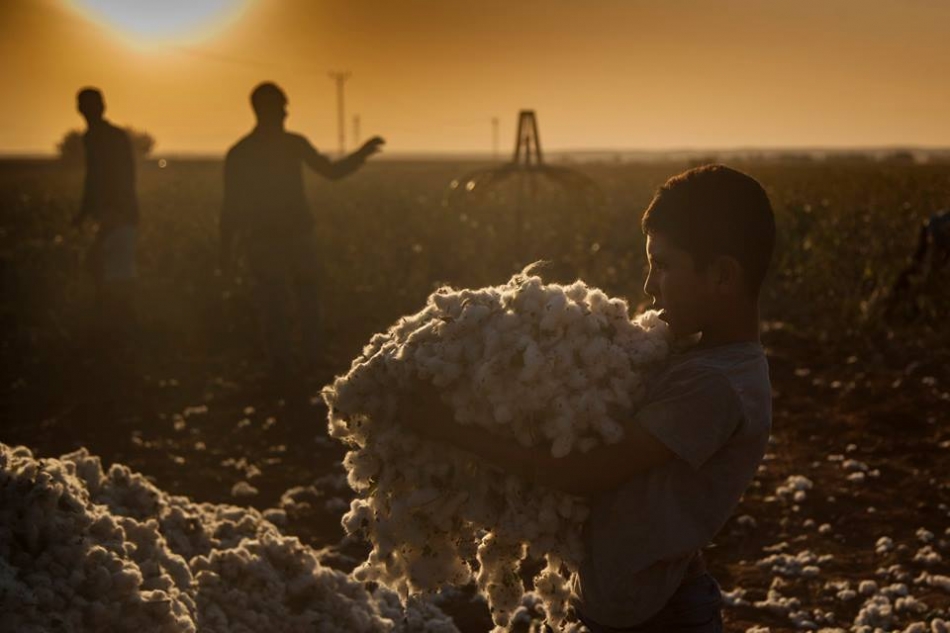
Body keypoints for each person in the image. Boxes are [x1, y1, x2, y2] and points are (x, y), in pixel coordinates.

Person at [398, 164, 776, 632]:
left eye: (662, 265)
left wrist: (451, 429)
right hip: (626, 605)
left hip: (660, 618)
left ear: (722, 275)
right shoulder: (690, 356)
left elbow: (583, 473)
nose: (648, 286)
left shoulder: (716, 385)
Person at [220, 81, 384, 376]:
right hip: (288, 238)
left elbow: (230, 208)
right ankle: (306, 363)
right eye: (282, 107)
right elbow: (332, 172)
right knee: (301, 303)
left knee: (278, 306)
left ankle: (287, 367)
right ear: (268, 110)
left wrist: (226, 253)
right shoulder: (288, 145)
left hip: (271, 240)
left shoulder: (241, 152)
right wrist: (361, 154)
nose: (286, 113)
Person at [71, 87, 139, 346]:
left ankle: (119, 329)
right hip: (114, 214)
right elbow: (94, 179)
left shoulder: (106, 137)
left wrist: (114, 212)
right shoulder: (96, 137)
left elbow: (120, 177)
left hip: (119, 214)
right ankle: (114, 325)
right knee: (102, 267)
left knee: (113, 272)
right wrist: (85, 212)